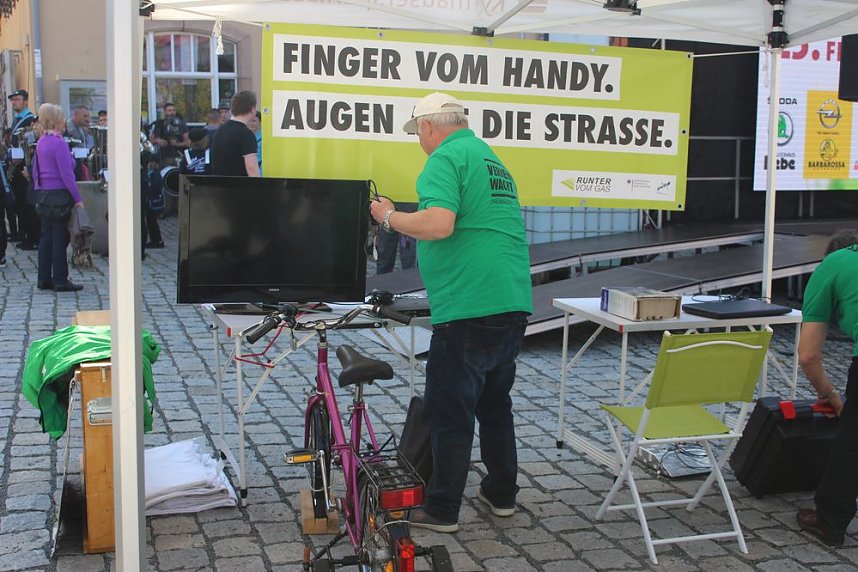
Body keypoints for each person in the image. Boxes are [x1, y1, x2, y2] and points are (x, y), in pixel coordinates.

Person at [369, 92, 532, 532]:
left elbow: (439, 224)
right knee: (494, 404)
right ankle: (501, 495)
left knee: (449, 410)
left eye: (417, 134)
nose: (419, 142)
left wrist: (389, 217)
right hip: (510, 297)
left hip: (469, 304)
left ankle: (441, 509)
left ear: (427, 126)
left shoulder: (444, 158)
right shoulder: (488, 157)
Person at [796, 229, 858, 547]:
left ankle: (830, 520)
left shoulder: (834, 264)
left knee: (852, 443)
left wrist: (831, 396)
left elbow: (808, 356)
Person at [33, 103, 83, 292]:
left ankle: (44, 278)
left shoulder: (42, 141)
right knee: (60, 238)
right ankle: (60, 279)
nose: (65, 121)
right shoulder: (59, 143)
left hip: (45, 195)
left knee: (46, 238)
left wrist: (39, 190)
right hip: (59, 195)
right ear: (55, 121)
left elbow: (36, 171)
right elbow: (67, 175)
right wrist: (78, 198)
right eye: (62, 117)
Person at [6, 89, 38, 250]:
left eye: (17, 100)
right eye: (13, 100)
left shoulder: (30, 119)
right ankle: (23, 233)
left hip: (23, 166)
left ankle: (30, 236)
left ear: (25, 101)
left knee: (25, 204)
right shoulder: (17, 119)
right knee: (19, 203)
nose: (14, 103)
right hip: (15, 165)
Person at [210, 91, 260, 177]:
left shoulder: (220, 130)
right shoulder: (246, 135)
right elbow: (252, 168)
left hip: (218, 187)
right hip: (238, 188)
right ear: (252, 109)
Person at [374, 201, 417, 274]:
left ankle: (382, 278)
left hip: (387, 199)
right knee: (406, 242)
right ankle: (409, 276)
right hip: (408, 201)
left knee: (387, 242)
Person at [148, 102, 188, 167]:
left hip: (179, 156)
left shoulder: (182, 124)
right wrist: (157, 140)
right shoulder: (158, 124)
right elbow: (149, 142)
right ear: (164, 112)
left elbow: (188, 142)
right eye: (169, 110)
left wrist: (177, 144)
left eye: (174, 110)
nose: (172, 112)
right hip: (164, 157)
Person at [141, 152, 164, 252]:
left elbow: (156, 186)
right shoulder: (150, 172)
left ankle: (157, 240)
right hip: (150, 201)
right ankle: (155, 239)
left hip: (153, 201)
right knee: (150, 221)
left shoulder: (155, 173)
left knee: (152, 222)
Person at [65, 105, 94, 180]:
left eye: (88, 116)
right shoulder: (69, 129)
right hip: (74, 167)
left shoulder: (81, 128)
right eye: (85, 116)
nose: (88, 119)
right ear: (76, 115)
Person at [247, 110, 262, 175]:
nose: (251, 123)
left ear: (260, 122)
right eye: (250, 121)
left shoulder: (263, 140)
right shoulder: (245, 137)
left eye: (254, 121)